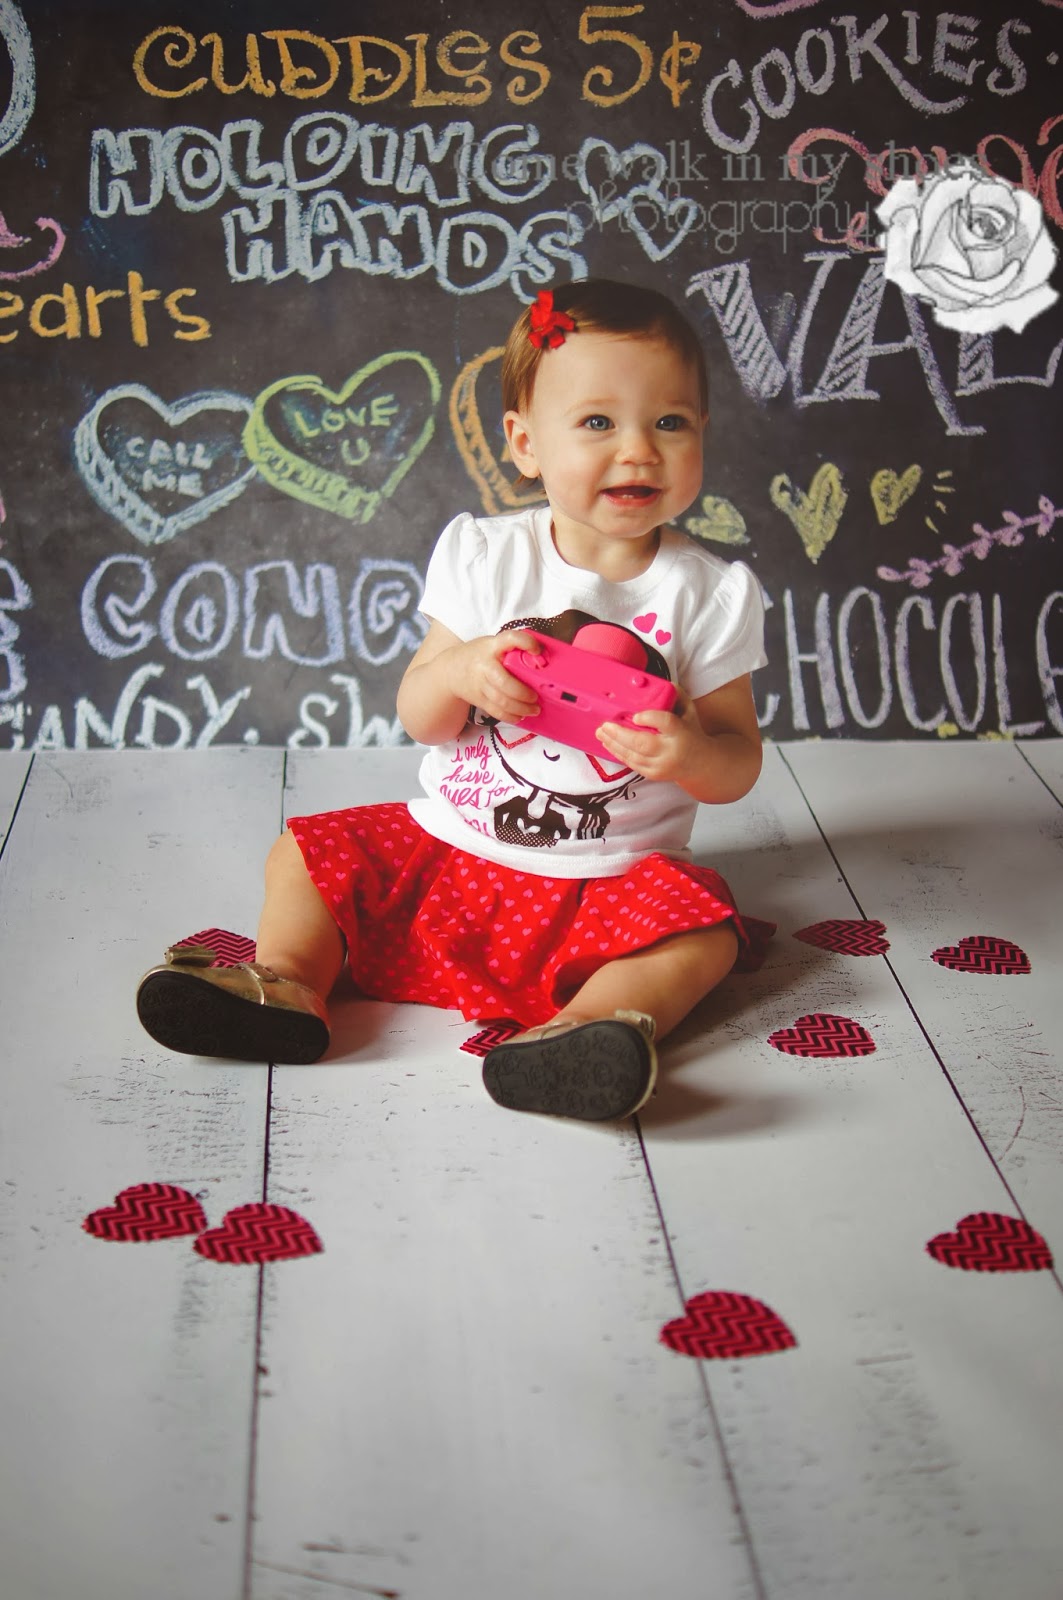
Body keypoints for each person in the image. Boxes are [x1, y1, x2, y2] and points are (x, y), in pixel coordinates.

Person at [137, 278, 771, 1122]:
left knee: (705, 928)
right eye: (597, 422)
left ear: (702, 433)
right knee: (303, 852)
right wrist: (462, 672)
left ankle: (587, 1032)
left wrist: (689, 753)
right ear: (524, 443)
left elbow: (737, 762)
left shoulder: (711, 593)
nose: (637, 451)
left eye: (670, 422)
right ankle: (284, 982)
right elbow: (419, 714)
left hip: (603, 885)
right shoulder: (485, 556)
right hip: (450, 858)